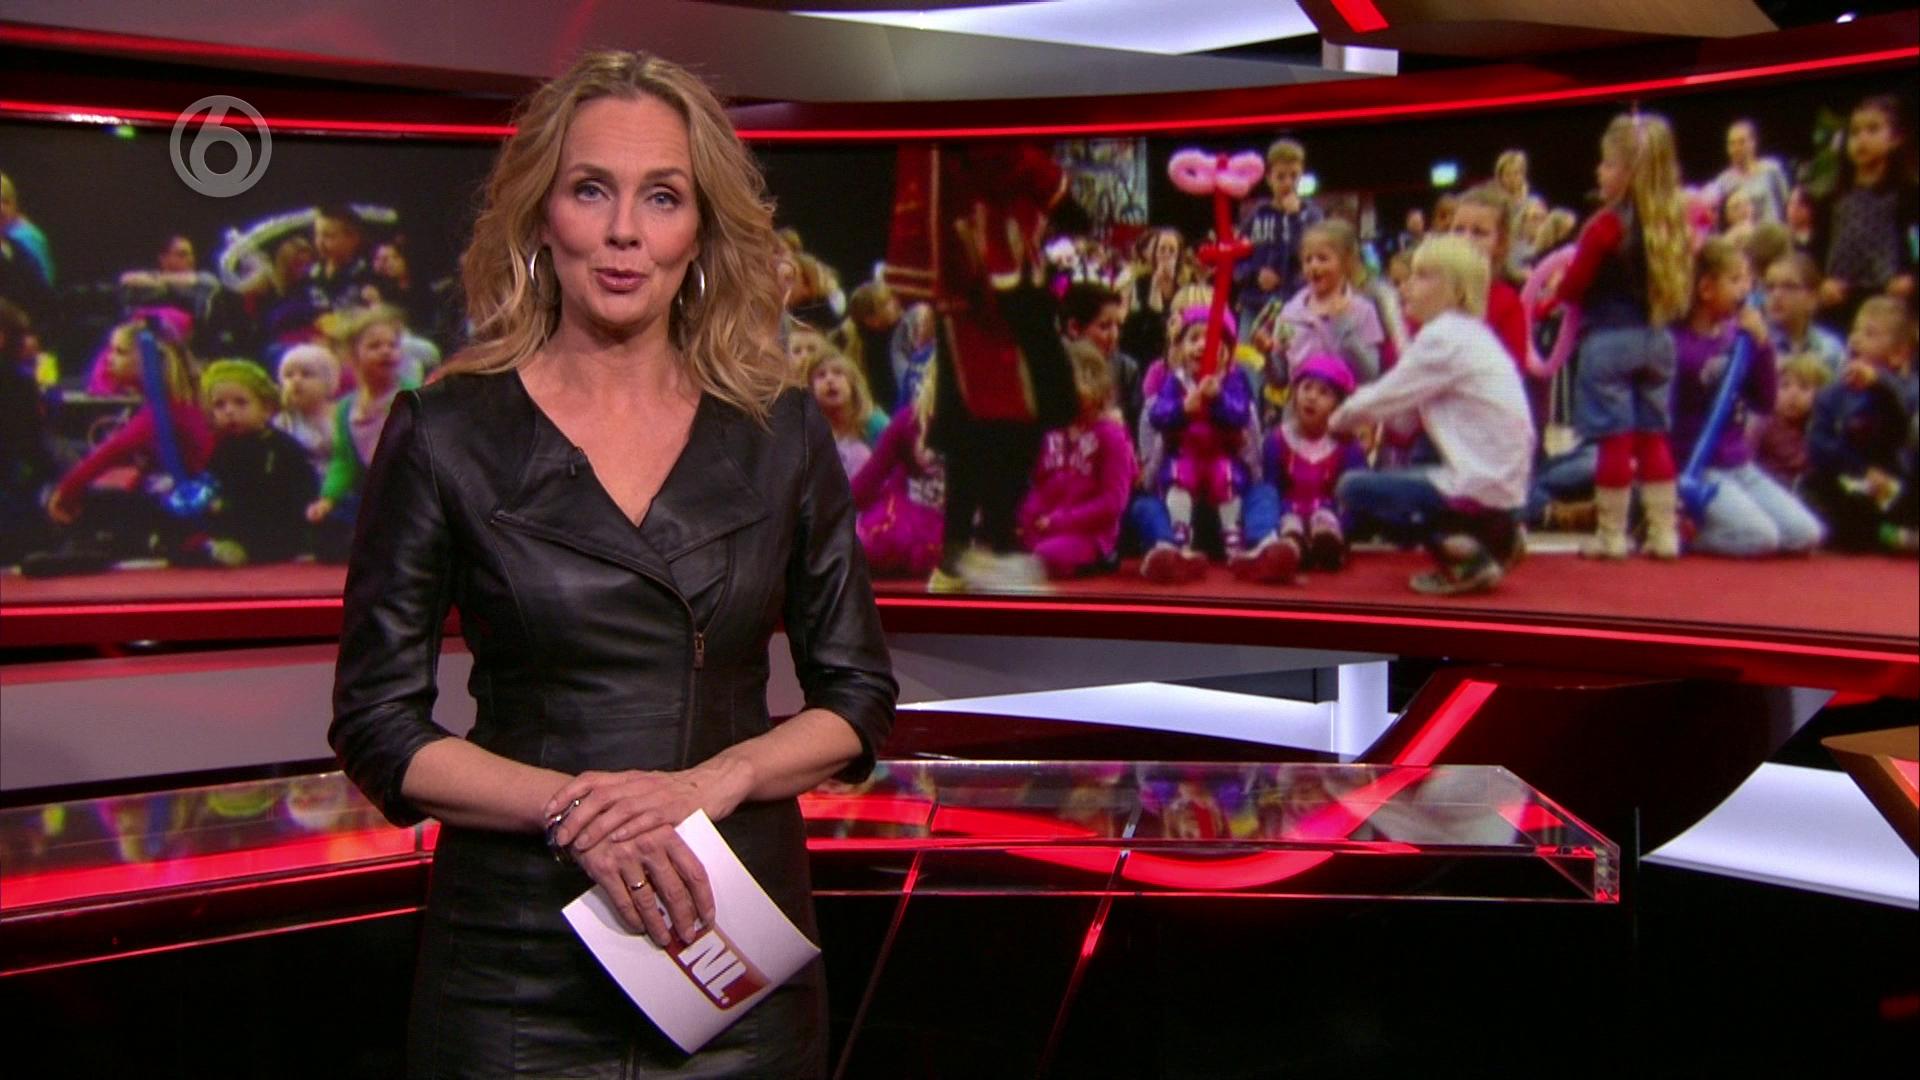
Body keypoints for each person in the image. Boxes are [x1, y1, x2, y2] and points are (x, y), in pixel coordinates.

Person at [329, 51, 898, 1078]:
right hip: (514, 962)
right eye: (592, 189)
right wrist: (576, 814)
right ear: (541, 216)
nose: (625, 230)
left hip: (729, 948)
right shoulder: (445, 431)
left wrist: (712, 783)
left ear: (702, 230)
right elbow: (378, 725)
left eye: (663, 196)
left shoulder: (779, 432)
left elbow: (856, 697)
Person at [1332, 237, 1534, 595]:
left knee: (1353, 488)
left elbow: (1383, 398)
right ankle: (1497, 534)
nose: (1407, 285)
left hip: (1479, 483)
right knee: (1409, 476)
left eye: (1422, 276)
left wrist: (1336, 421)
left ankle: (1467, 555)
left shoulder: (1443, 336)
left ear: (1455, 290)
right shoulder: (1472, 335)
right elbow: (1405, 420)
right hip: (1503, 485)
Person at [1537, 112, 1692, 560]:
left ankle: (1612, 536)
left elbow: (1575, 284)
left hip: (1609, 340)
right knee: (1653, 437)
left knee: (1615, 440)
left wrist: (1552, 292)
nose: (1599, 172)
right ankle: (1664, 534)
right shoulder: (1672, 224)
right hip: (1658, 340)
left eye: (1607, 164)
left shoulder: (1605, 225)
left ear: (1629, 171)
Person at [1667, 239, 1823, 557]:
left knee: (1805, 533)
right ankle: (1682, 534)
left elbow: (1764, 401)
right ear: (1706, 288)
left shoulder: (1737, 338)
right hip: (1698, 465)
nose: (1746, 289)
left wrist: (1762, 346)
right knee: (1760, 538)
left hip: (1738, 463)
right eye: (1736, 280)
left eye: (1748, 280)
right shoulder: (1676, 343)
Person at [1235, 353, 1365, 583]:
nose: (1312, 397)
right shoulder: (1276, 440)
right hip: (1289, 512)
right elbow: (1271, 489)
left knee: (1326, 523)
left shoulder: (1348, 446)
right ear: (1295, 395)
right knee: (1288, 524)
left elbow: (1355, 498)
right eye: (1307, 388)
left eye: (1323, 393)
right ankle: (1291, 551)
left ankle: (1328, 548)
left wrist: (1343, 524)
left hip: (1328, 513)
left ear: (1338, 405)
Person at [1802, 296, 1919, 552]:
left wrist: (1879, 384)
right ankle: (1885, 536)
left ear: (1898, 354)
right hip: (1852, 480)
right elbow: (1818, 445)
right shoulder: (1831, 393)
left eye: (1870, 334)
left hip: (1896, 481)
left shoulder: (1910, 390)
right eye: (1855, 330)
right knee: (1817, 495)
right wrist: (1862, 470)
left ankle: (1889, 533)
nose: (1856, 339)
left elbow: (1901, 425)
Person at [1017, 340, 1135, 579]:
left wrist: (1058, 521)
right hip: (1047, 526)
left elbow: (1113, 502)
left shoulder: (1112, 436)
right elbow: (1040, 486)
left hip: (1089, 535)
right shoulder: (1053, 431)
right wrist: (1028, 516)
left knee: (1045, 555)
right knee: (1005, 545)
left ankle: (1101, 559)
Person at [195, 359, 317, 565]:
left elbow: (298, 490)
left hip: (275, 524)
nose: (229, 411)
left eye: (240, 403)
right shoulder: (221, 447)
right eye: (219, 405)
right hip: (233, 519)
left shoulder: (280, 446)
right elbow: (213, 482)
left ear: (266, 408)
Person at [804, 347, 886, 477]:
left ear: (853, 384)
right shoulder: (807, 433)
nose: (829, 380)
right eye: (821, 375)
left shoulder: (875, 423)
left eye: (838, 373)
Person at [1711, 119, 1791, 225]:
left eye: (1741, 142)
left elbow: (1787, 203)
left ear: (1753, 143)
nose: (1736, 148)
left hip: (1772, 231)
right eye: (1732, 143)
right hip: (1742, 233)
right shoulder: (1723, 181)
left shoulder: (1771, 170)